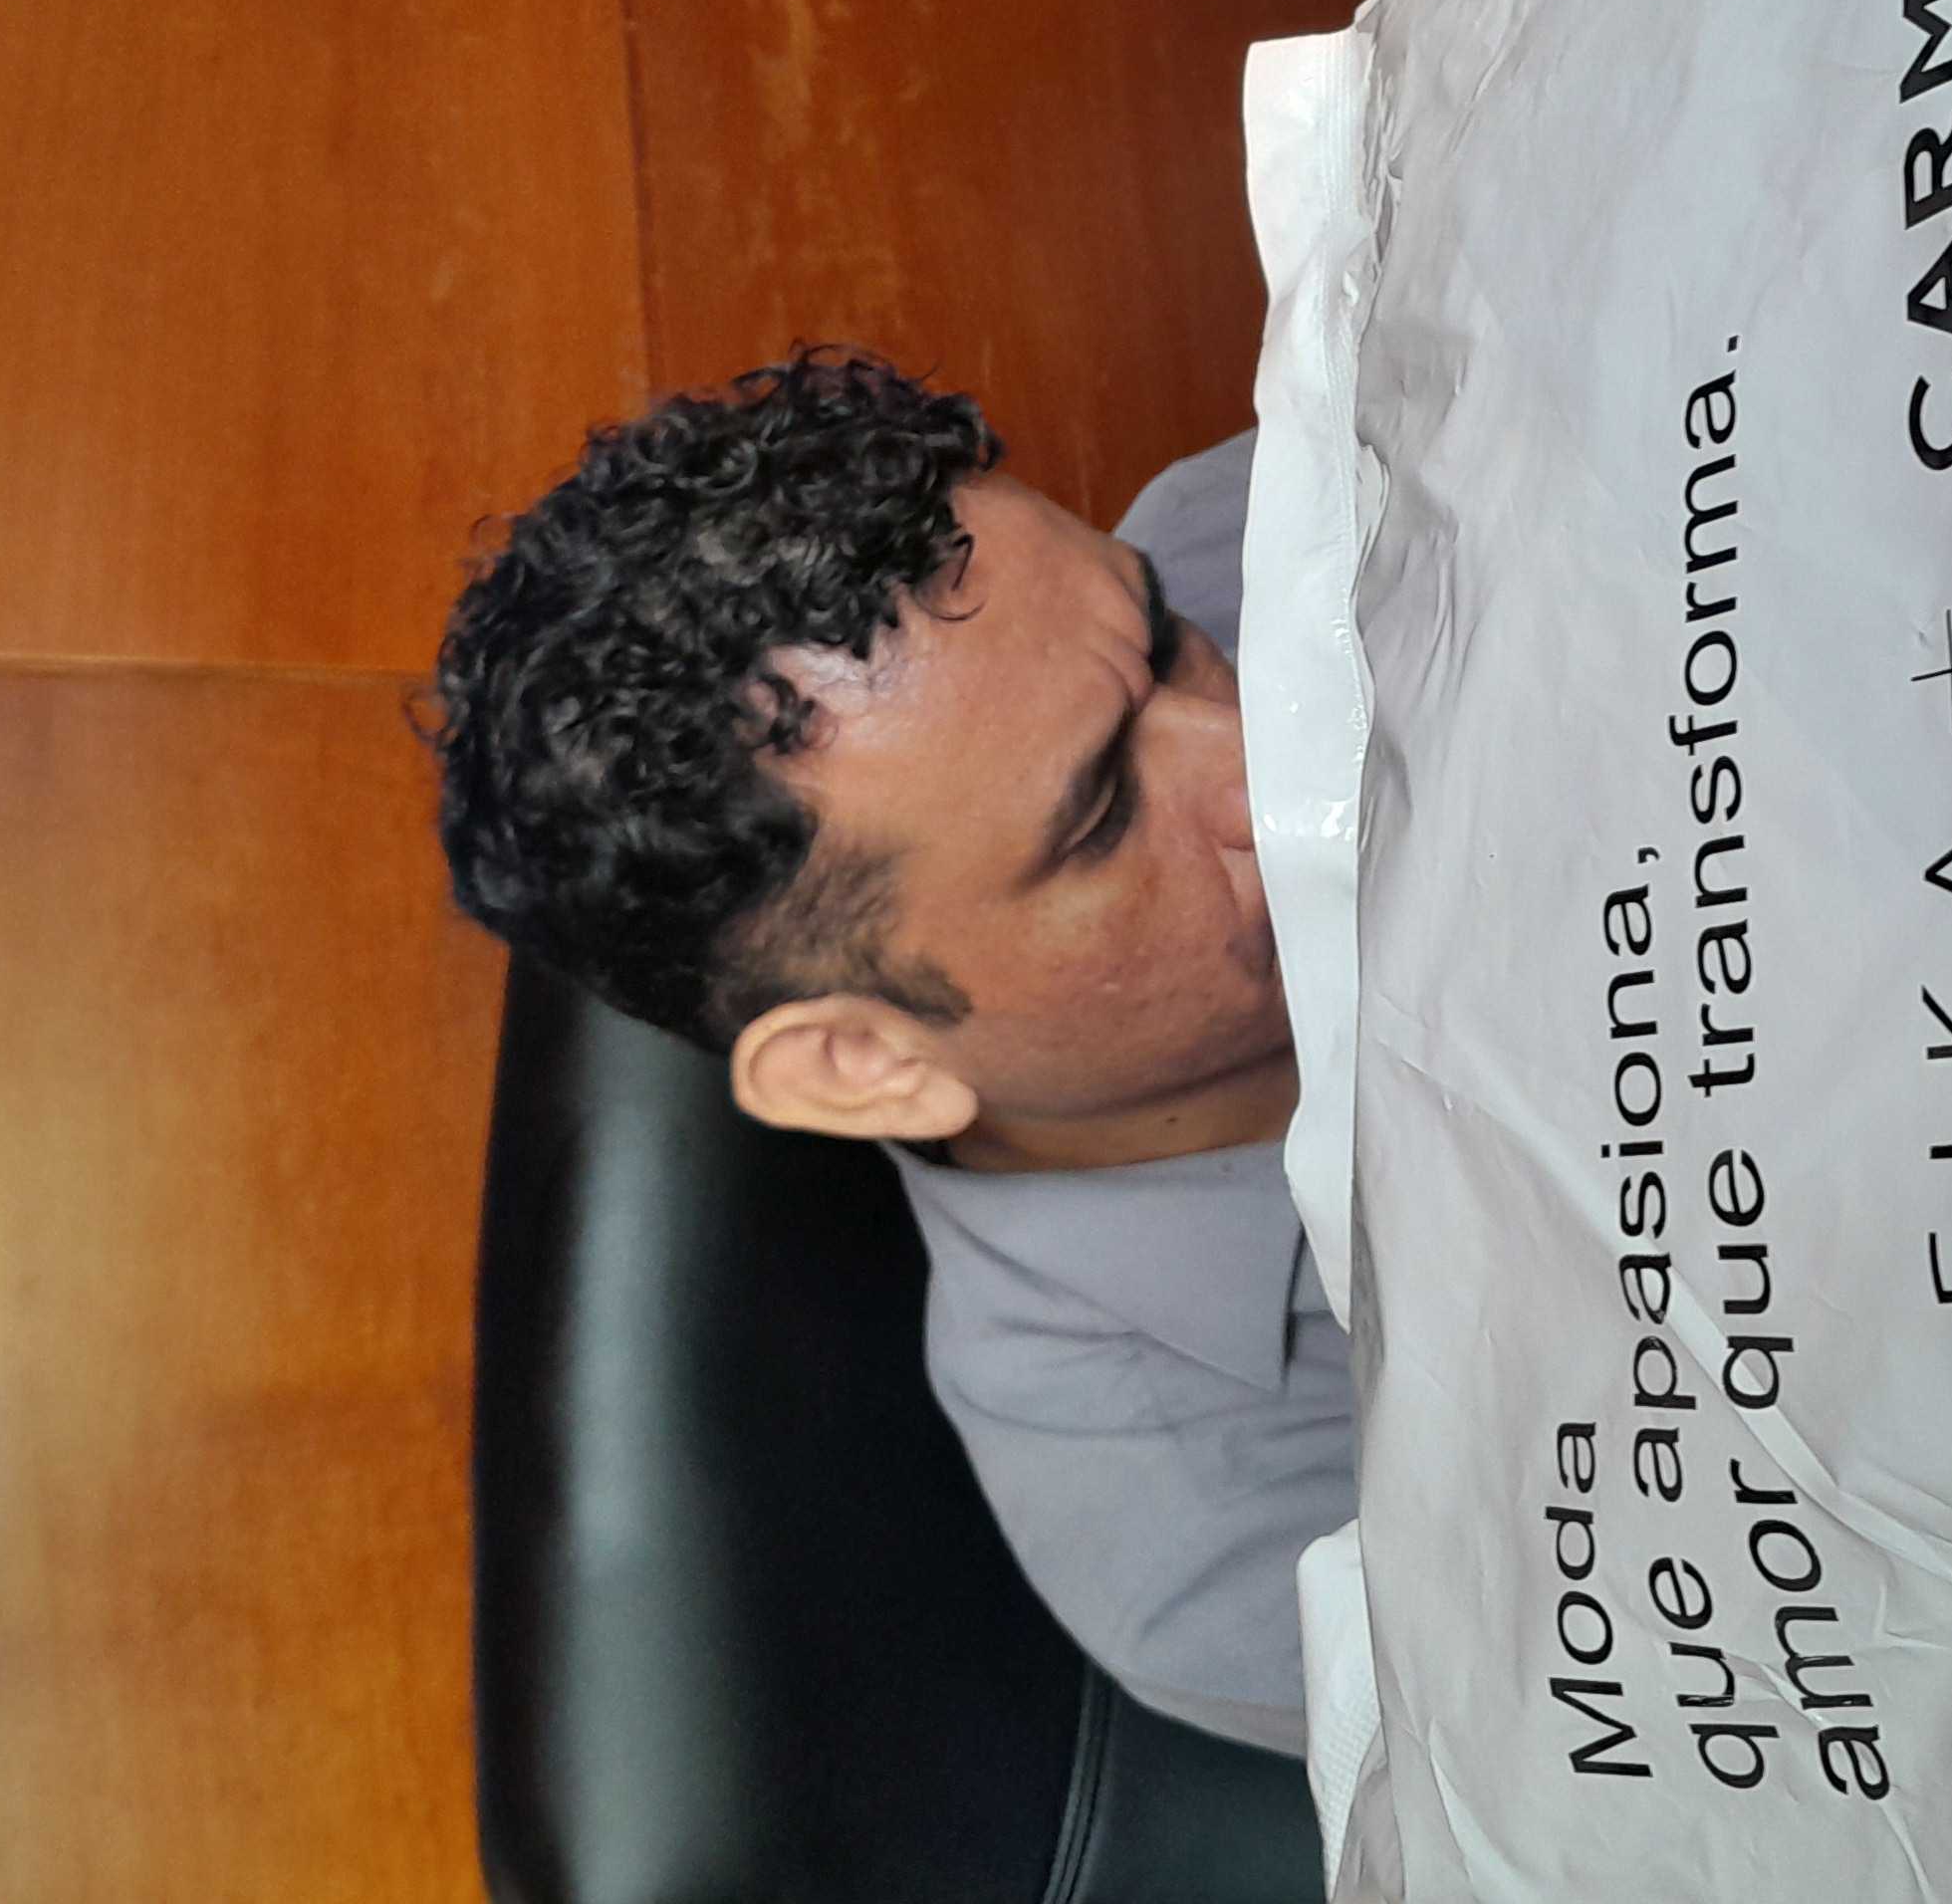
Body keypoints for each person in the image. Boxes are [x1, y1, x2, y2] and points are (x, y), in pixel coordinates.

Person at [429, 350, 1346, 1756]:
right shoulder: (1228, 1537)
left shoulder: (1241, 529)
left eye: (1164, 641)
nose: (1280, 772)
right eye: (1102, 817)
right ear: (864, 1061)